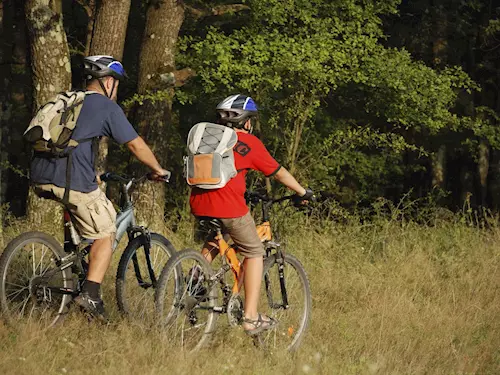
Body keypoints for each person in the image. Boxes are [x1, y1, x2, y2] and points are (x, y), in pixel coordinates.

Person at [30, 55, 170, 320]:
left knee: (81, 223)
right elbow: (135, 145)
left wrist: (91, 172)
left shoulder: (69, 100)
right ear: (107, 82)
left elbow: (70, 141)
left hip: (40, 175)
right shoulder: (105, 107)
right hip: (70, 181)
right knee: (106, 232)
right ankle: (91, 294)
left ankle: (67, 276)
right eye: (115, 84)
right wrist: (157, 169)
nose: (115, 89)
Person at [189, 94, 314, 335]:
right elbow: (278, 172)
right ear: (246, 122)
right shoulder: (248, 142)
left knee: (218, 237)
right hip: (227, 207)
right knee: (255, 251)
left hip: (198, 203)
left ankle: (194, 276)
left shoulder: (209, 138)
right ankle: (250, 317)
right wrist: (302, 191)